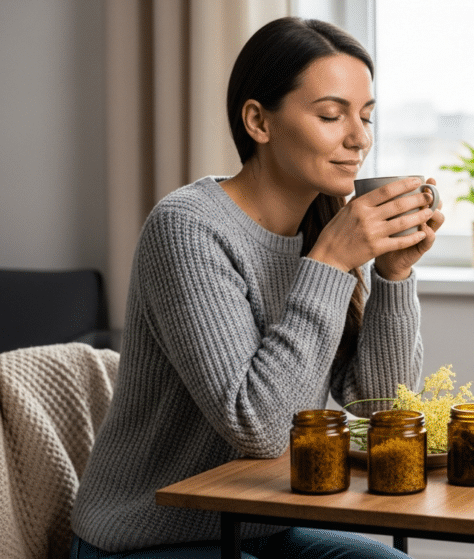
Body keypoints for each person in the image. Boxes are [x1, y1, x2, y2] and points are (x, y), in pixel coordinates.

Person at [69, 17, 442, 558]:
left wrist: (393, 274)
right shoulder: (188, 228)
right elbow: (260, 428)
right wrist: (331, 262)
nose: (359, 138)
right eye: (331, 115)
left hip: (257, 521)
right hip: (147, 534)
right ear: (258, 121)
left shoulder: (322, 225)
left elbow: (380, 407)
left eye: (365, 116)